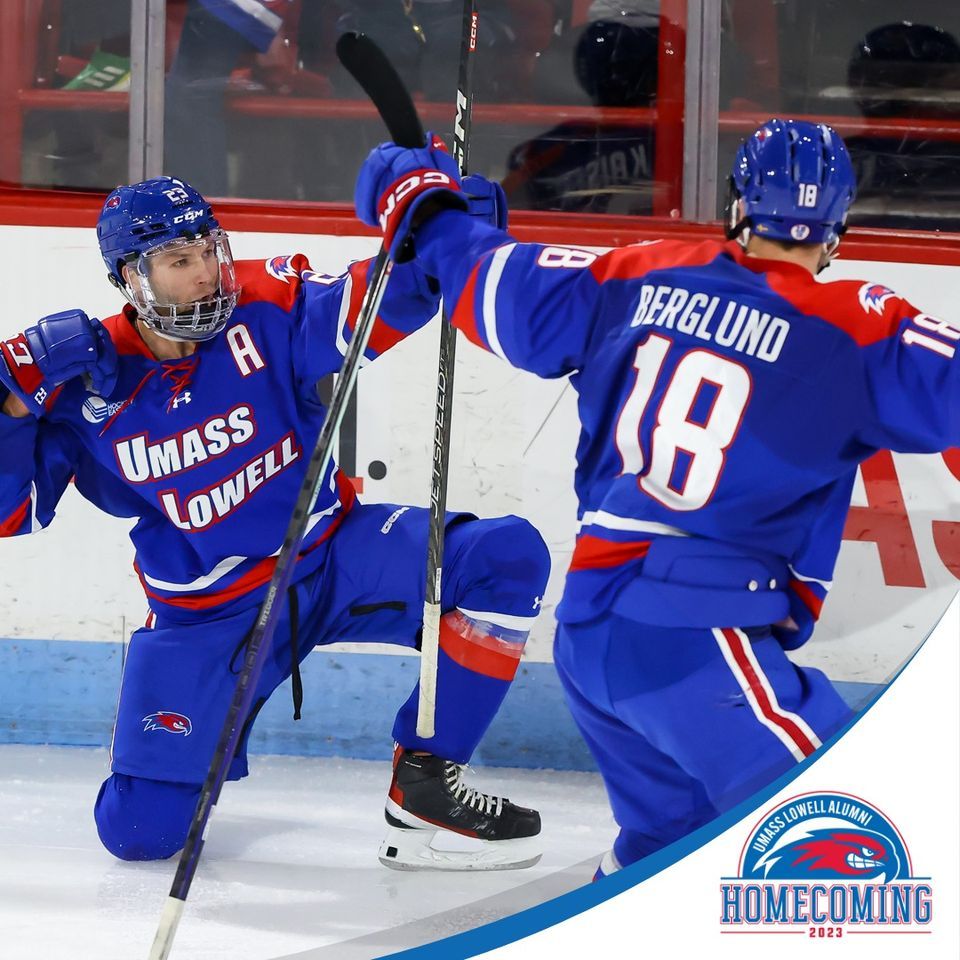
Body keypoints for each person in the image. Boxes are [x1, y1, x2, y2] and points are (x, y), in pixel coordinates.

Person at [354, 118, 960, 876]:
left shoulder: (637, 272)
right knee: (869, 850)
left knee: (666, 869)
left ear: (739, 204)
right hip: (697, 640)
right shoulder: (858, 325)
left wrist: (422, 202)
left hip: (591, 636)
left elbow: (484, 275)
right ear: (838, 224)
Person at [0, 175, 550, 871]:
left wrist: (440, 243)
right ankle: (188, 753)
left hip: (333, 559)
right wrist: (12, 404)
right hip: (207, 617)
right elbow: (10, 513)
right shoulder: (88, 382)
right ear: (129, 280)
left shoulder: (266, 300)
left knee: (505, 557)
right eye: (178, 261)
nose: (205, 274)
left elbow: (370, 298)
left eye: (209, 249)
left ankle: (424, 783)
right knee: (139, 834)